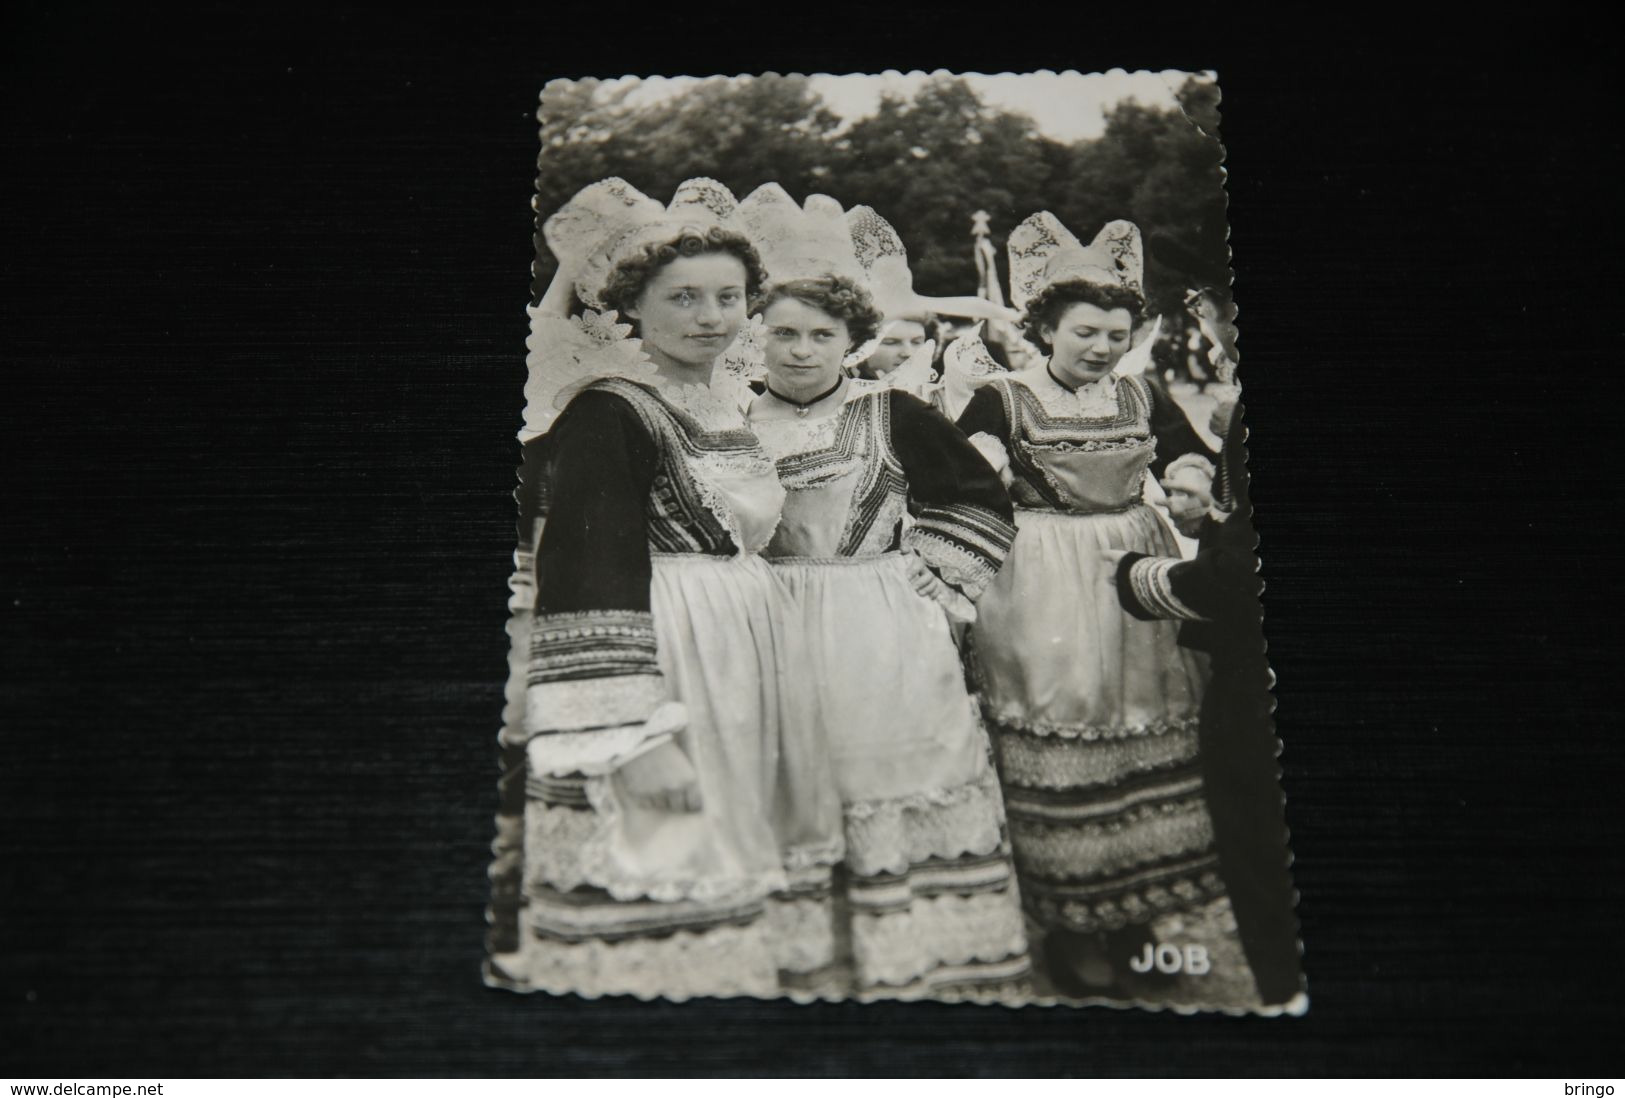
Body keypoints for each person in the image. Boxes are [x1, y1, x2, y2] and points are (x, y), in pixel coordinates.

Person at [485, 178, 843, 999]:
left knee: (728, 839)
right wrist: (634, 740)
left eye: (728, 296)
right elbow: (584, 576)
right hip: (665, 650)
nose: (711, 316)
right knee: (664, 843)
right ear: (631, 307)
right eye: (682, 298)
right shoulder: (608, 412)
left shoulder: (718, 400)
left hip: (740, 645)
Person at [735, 185, 1031, 998]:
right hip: (766, 619)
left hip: (877, 618)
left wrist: (935, 579)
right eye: (782, 334)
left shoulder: (892, 411)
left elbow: (977, 495)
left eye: (819, 336)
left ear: (851, 341)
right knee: (791, 774)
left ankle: (912, 945)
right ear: (755, 338)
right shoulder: (726, 418)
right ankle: (808, 952)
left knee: (888, 767)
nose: (798, 351)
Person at [955, 213, 1226, 996]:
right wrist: (985, 471)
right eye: (1085, 332)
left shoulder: (1142, 391)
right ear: (1046, 328)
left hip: (1131, 566)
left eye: (1115, 332)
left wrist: (1191, 480)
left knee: (1139, 711)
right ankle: (1072, 920)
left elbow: (1186, 455)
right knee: (1063, 710)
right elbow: (963, 481)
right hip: (1039, 574)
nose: (1101, 347)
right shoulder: (1001, 398)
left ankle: (1136, 909)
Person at [1109, 402, 1304, 1007]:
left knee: (1260, 843)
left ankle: (1287, 994)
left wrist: (1136, 577)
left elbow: (1241, 580)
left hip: (1253, 676)